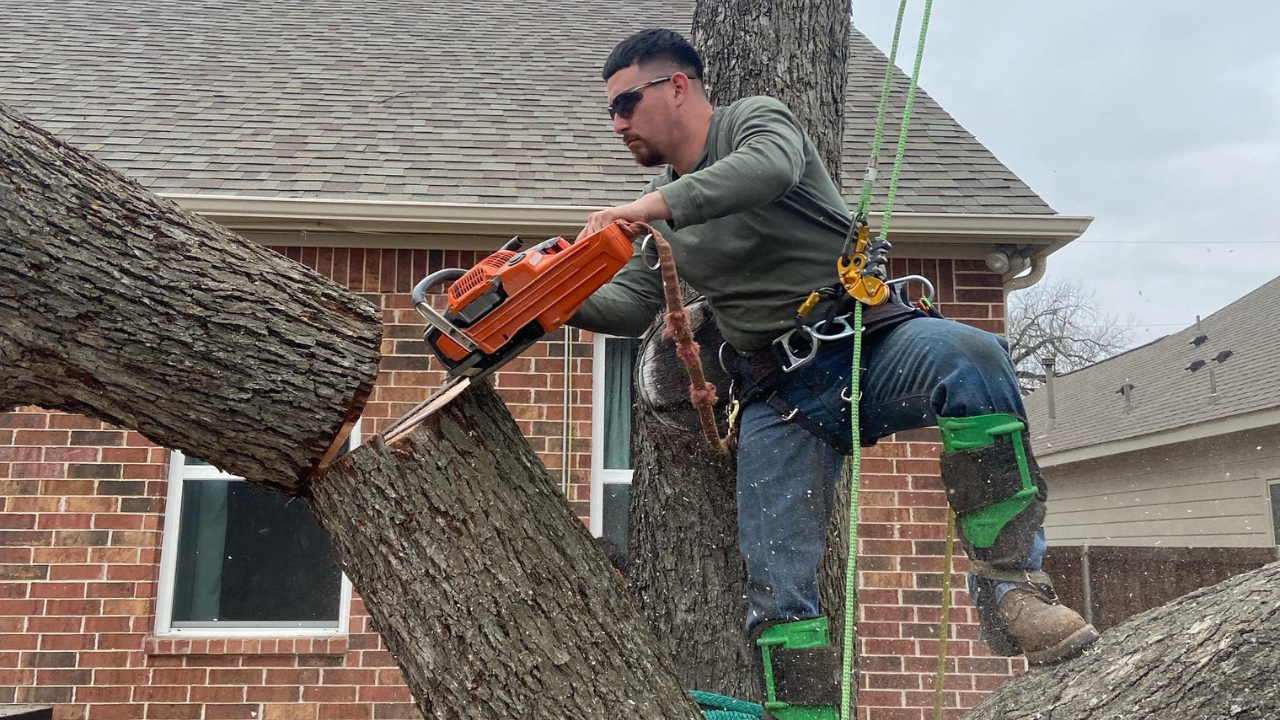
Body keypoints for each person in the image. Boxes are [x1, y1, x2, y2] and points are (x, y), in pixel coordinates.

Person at [569, 28, 1098, 711]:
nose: (617, 124)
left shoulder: (754, 124)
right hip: (782, 397)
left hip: (868, 349)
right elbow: (629, 303)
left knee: (974, 358)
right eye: (610, 111)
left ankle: (1013, 590)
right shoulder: (662, 220)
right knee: (776, 580)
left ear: (677, 86)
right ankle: (806, 711)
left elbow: (770, 171)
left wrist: (650, 207)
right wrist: (543, 301)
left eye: (626, 103)